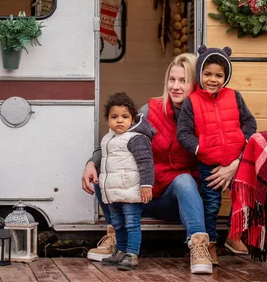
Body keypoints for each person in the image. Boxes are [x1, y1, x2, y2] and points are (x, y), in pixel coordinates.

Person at [83, 53, 217, 274]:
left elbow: (226, 145)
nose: (175, 86)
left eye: (183, 81)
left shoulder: (204, 114)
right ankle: (115, 236)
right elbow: (114, 140)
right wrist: (91, 163)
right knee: (102, 171)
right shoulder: (151, 109)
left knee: (183, 179)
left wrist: (232, 166)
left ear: (195, 83)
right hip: (139, 195)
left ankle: (199, 247)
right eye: (172, 80)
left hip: (173, 200)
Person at [177, 46, 257, 266]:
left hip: (237, 161)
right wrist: (200, 148)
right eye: (207, 74)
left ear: (226, 76)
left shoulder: (235, 96)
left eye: (219, 75)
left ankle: (234, 235)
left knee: (242, 199)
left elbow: (250, 122)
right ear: (200, 74)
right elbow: (183, 132)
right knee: (211, 205)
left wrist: (244, 143)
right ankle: (211, 243)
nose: (213, 79)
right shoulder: (191, 102)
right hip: (209, 164)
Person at [97, 92, 155, 271]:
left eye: (125, 117)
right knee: (117, 224)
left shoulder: (135, 138)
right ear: (107, 121)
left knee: (131, 223)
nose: (119, 121)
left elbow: (146, 162)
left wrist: (146, 185)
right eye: (114, 117)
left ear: (132, 119)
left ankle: (131, 253)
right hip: (114, 193)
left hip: (131, 191)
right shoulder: (108, 138)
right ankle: (120, 251)